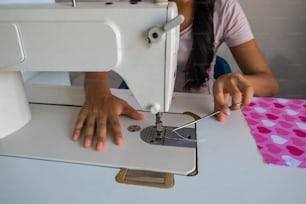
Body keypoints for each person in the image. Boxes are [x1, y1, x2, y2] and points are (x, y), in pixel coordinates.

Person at [72, 0, 279, 151]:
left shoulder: (224, 8)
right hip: (137, 107)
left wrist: (241, 82)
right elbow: (96, 55)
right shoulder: (129, 5)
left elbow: (268, 82)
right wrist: (98, 90)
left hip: (203, 113)